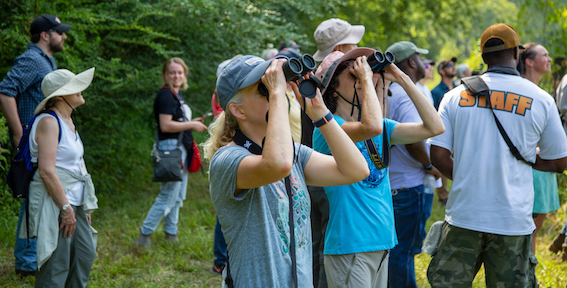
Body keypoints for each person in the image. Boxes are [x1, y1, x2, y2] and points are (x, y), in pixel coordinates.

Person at [204, 55, 370, 287]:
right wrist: (278, 93)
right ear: (238, 111)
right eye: (264, 90)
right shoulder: (228, 160)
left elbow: (357, 170)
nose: (278, 94)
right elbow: (277, 165)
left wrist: (320, 114)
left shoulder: (293, 153)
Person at [427, 23, 567, 287]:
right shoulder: (540, 99)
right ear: (516, 54)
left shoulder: (454, 96)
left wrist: (469, 175)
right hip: (512, 221)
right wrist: (529, 157)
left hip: (463, 216)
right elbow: (560, 161)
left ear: (483, 57)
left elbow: (438, 155)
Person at [312, 48, 444, 288]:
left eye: (365, 75)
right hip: (350, 245)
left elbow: (434, 127)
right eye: (354, 77)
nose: (365, 80)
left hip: (382, 241)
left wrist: (401, 77)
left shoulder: (381, 127)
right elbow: (371, 127)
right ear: (332, 88)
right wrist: (367, 81)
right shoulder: (329, 128)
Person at [0, 14, 71, 277]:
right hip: (31, 143)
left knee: (37, 199)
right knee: (34, 201)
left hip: (42, 141)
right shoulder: (31, 59)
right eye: (59, 32)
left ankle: (30, 258)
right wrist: (19, 134)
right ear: (45, 35)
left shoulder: (46, 60)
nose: (63, 36)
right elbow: (5, 91)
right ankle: (27, 262)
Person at [25, 67, 97, 287]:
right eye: (73, 88)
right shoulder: (49, 122)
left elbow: (76, 164)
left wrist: (82, 206)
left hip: (75, 201)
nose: (80, 90)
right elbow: (47, 170)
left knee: (83, 256)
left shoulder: (68, 121)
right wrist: (66, 209)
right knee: (56, 267)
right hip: (56, 202)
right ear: (59, 96)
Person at [308, 18, 365, 288]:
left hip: (313, 168)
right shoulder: (337, 80)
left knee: (317, 243)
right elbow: (371, 126)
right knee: (329, 247)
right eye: (354, 44)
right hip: (335, 171)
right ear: (342, 48)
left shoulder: (314, 77)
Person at [384, 41, 442, 288]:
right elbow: (415, 140)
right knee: (403, 253)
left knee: (396, 252)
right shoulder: (407, 95)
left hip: (394, 183)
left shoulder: (390, 91)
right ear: (410, 62)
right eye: (420, 58)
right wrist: (430, 165)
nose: (424, 63)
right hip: (408, 186)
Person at [135, 58, 207, 247]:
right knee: (168, 195)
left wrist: (190, 120)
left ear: (185, 75)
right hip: (171, 151)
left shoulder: (177, 94)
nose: (176, 76)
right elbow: (165, 126)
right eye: (172, 72)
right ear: (165, 75)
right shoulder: (166, 95)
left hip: (179, 149)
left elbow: (177, 121)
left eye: (179, 72)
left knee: (178, 195)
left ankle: (171, 234)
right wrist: (192, 124)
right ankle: (144, 235)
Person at [520, 42, 558, 254]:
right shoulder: (522, 92)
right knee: (528, 229)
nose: (550, 59)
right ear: (529, 61)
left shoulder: (541, 93)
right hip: (530, 165)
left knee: (535, 228)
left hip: (545, 163)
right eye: (545, 55)